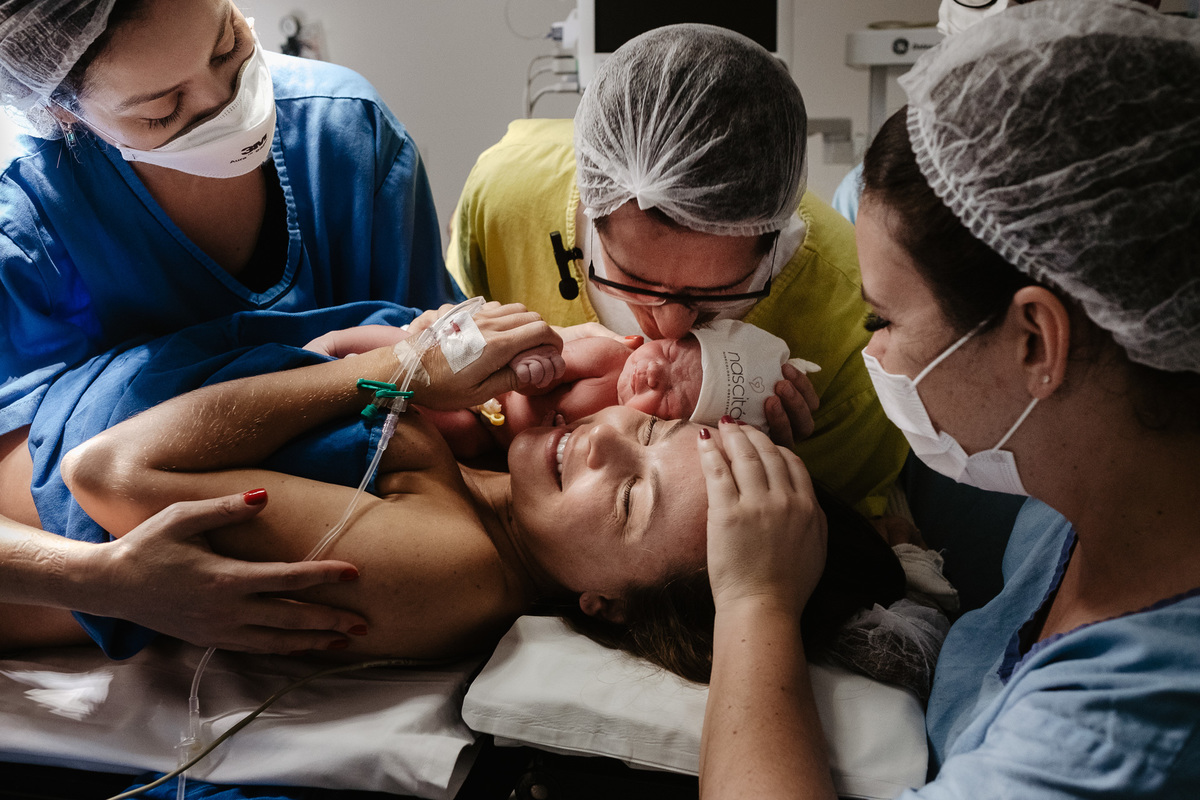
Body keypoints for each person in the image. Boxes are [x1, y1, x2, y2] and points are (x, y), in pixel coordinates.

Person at [696, 2, 1200, 797]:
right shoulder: (1094, 479)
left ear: (1037, 340)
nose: (869, 354)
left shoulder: (1119, 731)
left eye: (881, 319)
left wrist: (754, 601)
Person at [0, 300, 904, 672]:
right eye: (653, 435)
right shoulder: (499, 458)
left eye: (630, 501)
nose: (602, 447)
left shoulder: (451, 570)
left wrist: (395, 370)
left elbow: (109, 474)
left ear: (613, 606)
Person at [0, 0, 457, 652]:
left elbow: (437, 383)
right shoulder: (30, 228)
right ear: (62, 111)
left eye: (227, 45)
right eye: (163, 109)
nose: (223, 102)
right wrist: (108, 582)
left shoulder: (347, 135)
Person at [446, 23, 909, 518]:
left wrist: (771, 477)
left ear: (775, 236)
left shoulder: (859, 334)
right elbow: (444, 359)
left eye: (716, 295)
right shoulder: (505, 201)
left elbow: (843, 554)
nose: (667, 329)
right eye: (633, 281)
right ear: (589, 214)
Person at [308, 318, 820, 458]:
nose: (653, 374)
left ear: (668, 430)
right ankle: (335, 345)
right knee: (409, 348)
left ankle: (348, 412)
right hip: (491, 391)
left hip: (490, 443)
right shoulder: (609, 356)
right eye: (666, 355)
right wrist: (535, 371)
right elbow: (548, 361)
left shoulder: (627, 442)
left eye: (668, 396)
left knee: (444, 436)